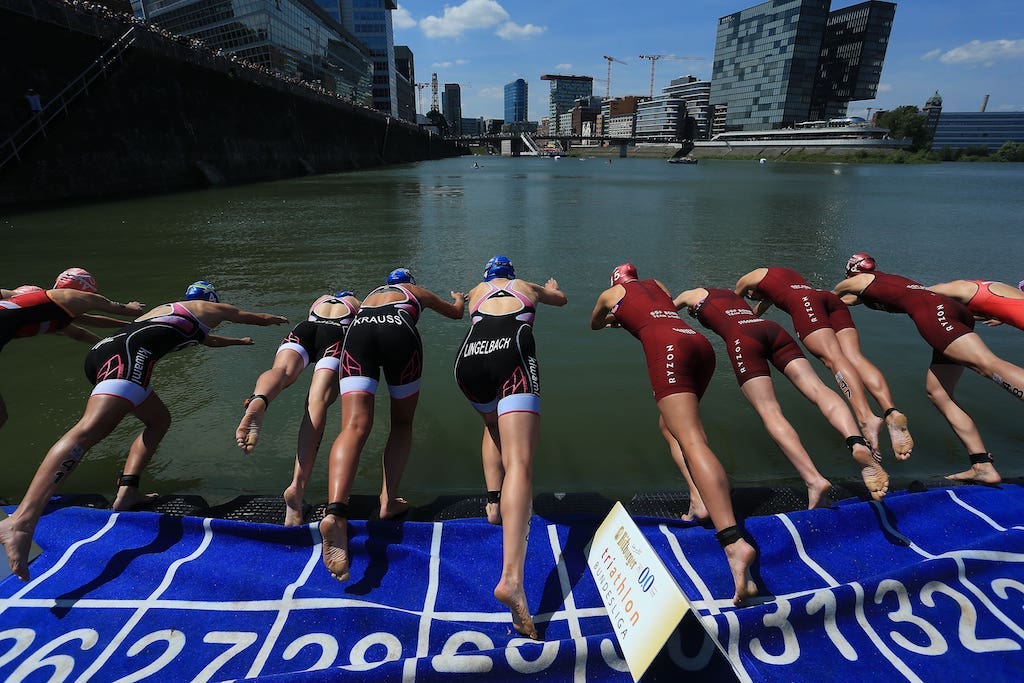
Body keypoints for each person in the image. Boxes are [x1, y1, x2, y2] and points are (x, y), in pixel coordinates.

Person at [0, 281, 288, 581]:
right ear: (212, 300)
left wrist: (238, 342)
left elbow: (209, 340)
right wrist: (276, 320)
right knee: (87, 432)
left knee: (159, 420)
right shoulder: (211, 308)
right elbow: (248, 316)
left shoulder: (172, 314)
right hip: (128, 358)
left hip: (106, 353)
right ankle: (21, 521)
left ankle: (128, 491)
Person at [591, 263, 757, 606]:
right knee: (670, 427)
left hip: (667, 348)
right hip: (697, 344)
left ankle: (733, 542)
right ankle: (698, 500)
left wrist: (617, 319)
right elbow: (663, 308)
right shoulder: (658, 284)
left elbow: (595, 324)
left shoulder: (610, 294)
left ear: (615, 280)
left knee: (692, 440)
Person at [674, 287, 888, 503]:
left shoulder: (689, 294)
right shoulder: (730, 293)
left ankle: (814, 479)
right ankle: (856, 443)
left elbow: (663, 316)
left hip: (742, 339)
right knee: (818, 389)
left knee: (770, 411)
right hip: (771, 329)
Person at [319, 268, 465, 583]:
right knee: (401, 423)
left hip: (358, 332)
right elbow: (455, 313)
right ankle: (388, 500)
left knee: (353, 427)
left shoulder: (370, 297)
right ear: (409, 283)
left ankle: (335, 511)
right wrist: (458, 299)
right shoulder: (415, 292)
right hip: (398, 330)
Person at [834, 253, 1024, 485]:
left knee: (988, 365)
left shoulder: (856, 281)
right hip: (955, 311)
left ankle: (982, 465)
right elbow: (854, 300)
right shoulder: (886, 281)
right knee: (938, 393)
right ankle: (981, 464)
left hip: (936, 315)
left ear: (851, 271)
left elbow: (831, 299)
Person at [453, 255, 567, 640]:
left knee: (491, 425)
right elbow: (561, 299)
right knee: (520, 464)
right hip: (512, 354)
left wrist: (459, 298)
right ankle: (512, 580)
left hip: (468, 361)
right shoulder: (526, 287)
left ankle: (493, 504)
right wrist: (550, 289)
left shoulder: (476, 291)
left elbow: (459, 307)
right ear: (511, 275)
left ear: (487, 277)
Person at [735, 266, 913, 461]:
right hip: (826, 298)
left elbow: (733, 303)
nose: (755, 298)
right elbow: (754, 313)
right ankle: (890, 411)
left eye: (752, 296)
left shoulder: (749, 278)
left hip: (805, 303)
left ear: (751, 289)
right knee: (853, 357)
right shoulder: (779, 278)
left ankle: (866, 418)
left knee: (833, 359)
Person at [236, 290, 361, 525]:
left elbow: (312, 320)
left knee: (281, 372)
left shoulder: (320, 299)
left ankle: (259, 399)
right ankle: (297, 486)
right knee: (316, 403)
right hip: (337, 335)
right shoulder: (355, 302)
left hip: (304, 329)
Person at [1, 268, 145, 431]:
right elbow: (121, 308)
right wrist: (134, 308)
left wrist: (125, 330)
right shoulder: (68, 296)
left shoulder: (49, 314)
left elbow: (83, 330)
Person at [926, 279, 1024, 330]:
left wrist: (1004, 316)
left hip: (985, 293)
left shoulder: (964, 289)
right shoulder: (964, 290)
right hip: (984, 294)